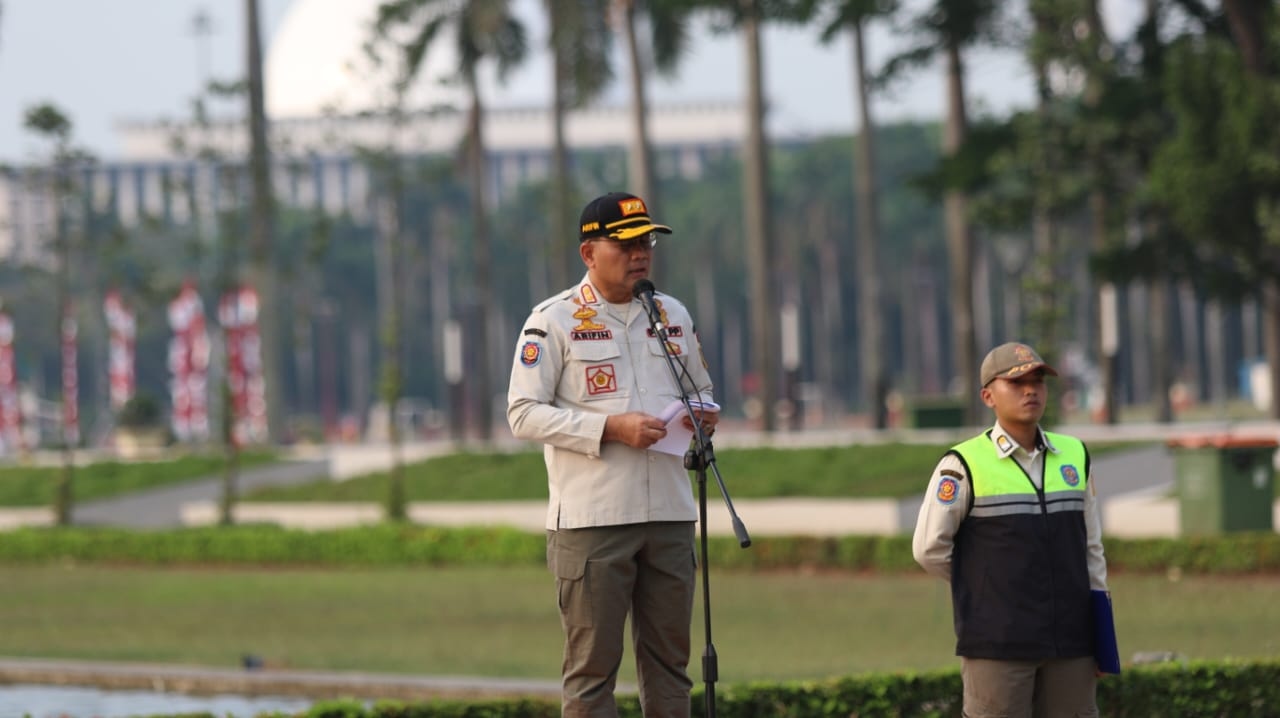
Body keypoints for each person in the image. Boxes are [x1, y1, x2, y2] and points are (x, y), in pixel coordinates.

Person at [507, 191, 718, 718]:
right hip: (593, 520)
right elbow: (522, 413)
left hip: (669, 513)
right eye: (624, 243)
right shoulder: (552, 320)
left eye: (645, 240)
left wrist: (703, 415)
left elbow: (701, 389)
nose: (640, 252)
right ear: (588, 253)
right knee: (592, 675)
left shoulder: (671, 313)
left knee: (671, 668)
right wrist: (609, 428)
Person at [912, 341, 1110, 718]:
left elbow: (1092, 550)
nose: (1031, 390)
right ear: (988, 395)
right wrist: (986, 587)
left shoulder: (1075, 455)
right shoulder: (962, 464)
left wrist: (1102, 636)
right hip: (998, 644)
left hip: (1072, 642)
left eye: (1038, 381)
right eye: (1016, 383)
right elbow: (928, 549)